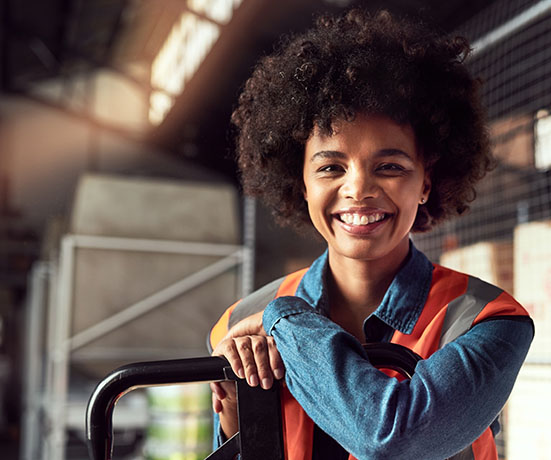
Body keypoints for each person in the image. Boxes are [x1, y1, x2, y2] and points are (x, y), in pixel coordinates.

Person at [207, 9, 534, 460]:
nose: (358, 188)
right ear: (300, 182)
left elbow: (396, 439)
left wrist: (286, 321)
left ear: (426, 182)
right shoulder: (237, 323)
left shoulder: (488, 322)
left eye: (390, 167)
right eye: (330, 167)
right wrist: (232, 412)